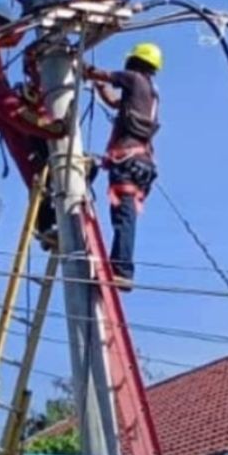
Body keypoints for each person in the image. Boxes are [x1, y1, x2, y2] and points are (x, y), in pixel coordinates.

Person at [0, 3, 64, 235]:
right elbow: (11, 40)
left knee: (27, 159)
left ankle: (44, 219)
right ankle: (59, 132)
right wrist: (27, 19)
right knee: (46, 128)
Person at [84, 42, 162, 291]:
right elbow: (114, 102)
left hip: (128, 162)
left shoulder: (132, 78)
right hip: (141, 164)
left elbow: (103, 74)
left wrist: (80, 67)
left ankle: (122, 270)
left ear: (134, 61)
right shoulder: (149, 92)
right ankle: (120, 268)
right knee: (124, 216)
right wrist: (100, 88)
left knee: (124, 218)